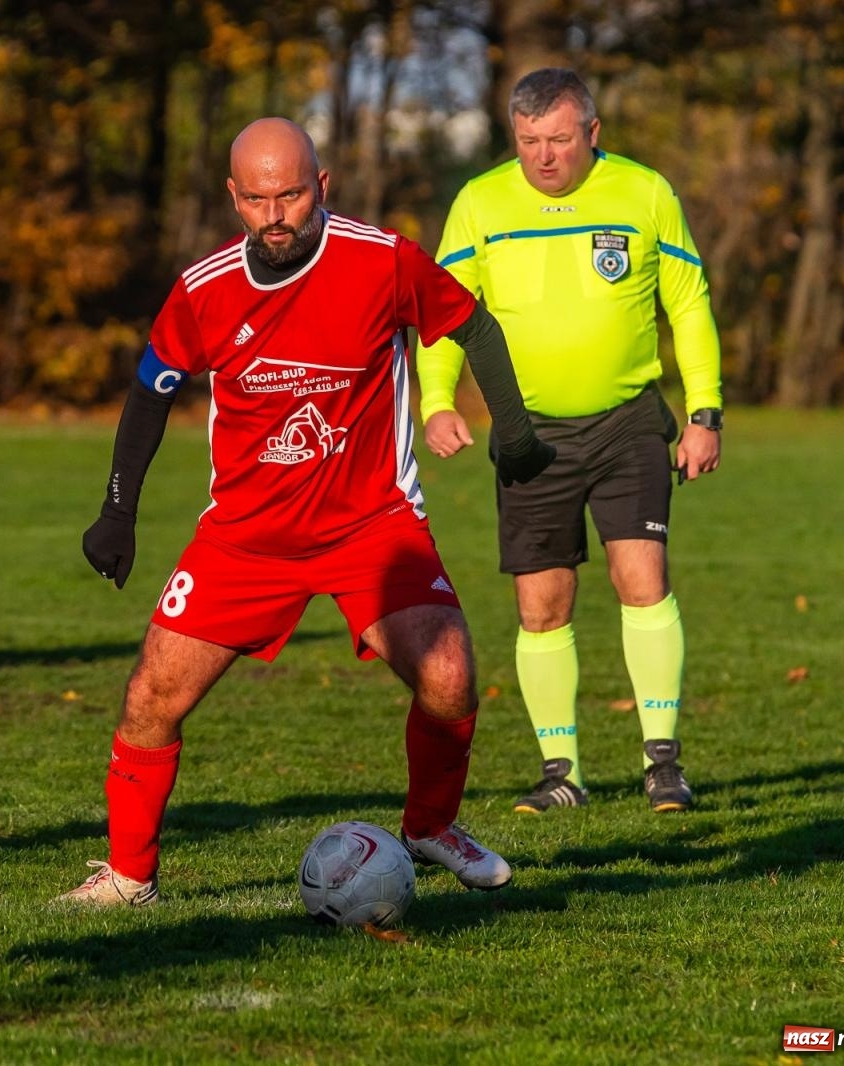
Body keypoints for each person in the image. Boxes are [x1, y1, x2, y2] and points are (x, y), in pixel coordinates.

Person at [62, 117, 555, 907]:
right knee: (152, 696)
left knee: (451, 678)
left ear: (321, 186)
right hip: (247, 539)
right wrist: (117, 512)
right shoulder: (202, 289)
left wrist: (519, 432)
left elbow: (472, 323)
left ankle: (430, 827)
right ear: (234, 198)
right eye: (257, 198)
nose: (276, 214)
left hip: (373, 526)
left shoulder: (380, 259)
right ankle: (128, 877)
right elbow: (150, 392)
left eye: (291, 193)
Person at [416, 68, 723, 815]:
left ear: (592, 132)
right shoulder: (480, 203)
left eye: (558, 139)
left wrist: (704, 411)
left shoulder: (644, 193)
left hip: (627, 422)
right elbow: (444, 314)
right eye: (528, 143)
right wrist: (435, 402)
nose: (543, 157)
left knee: (641, 578)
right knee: (541, 605)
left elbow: (688, 303)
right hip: (529, 436)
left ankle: (662, 766)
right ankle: (563, 774)